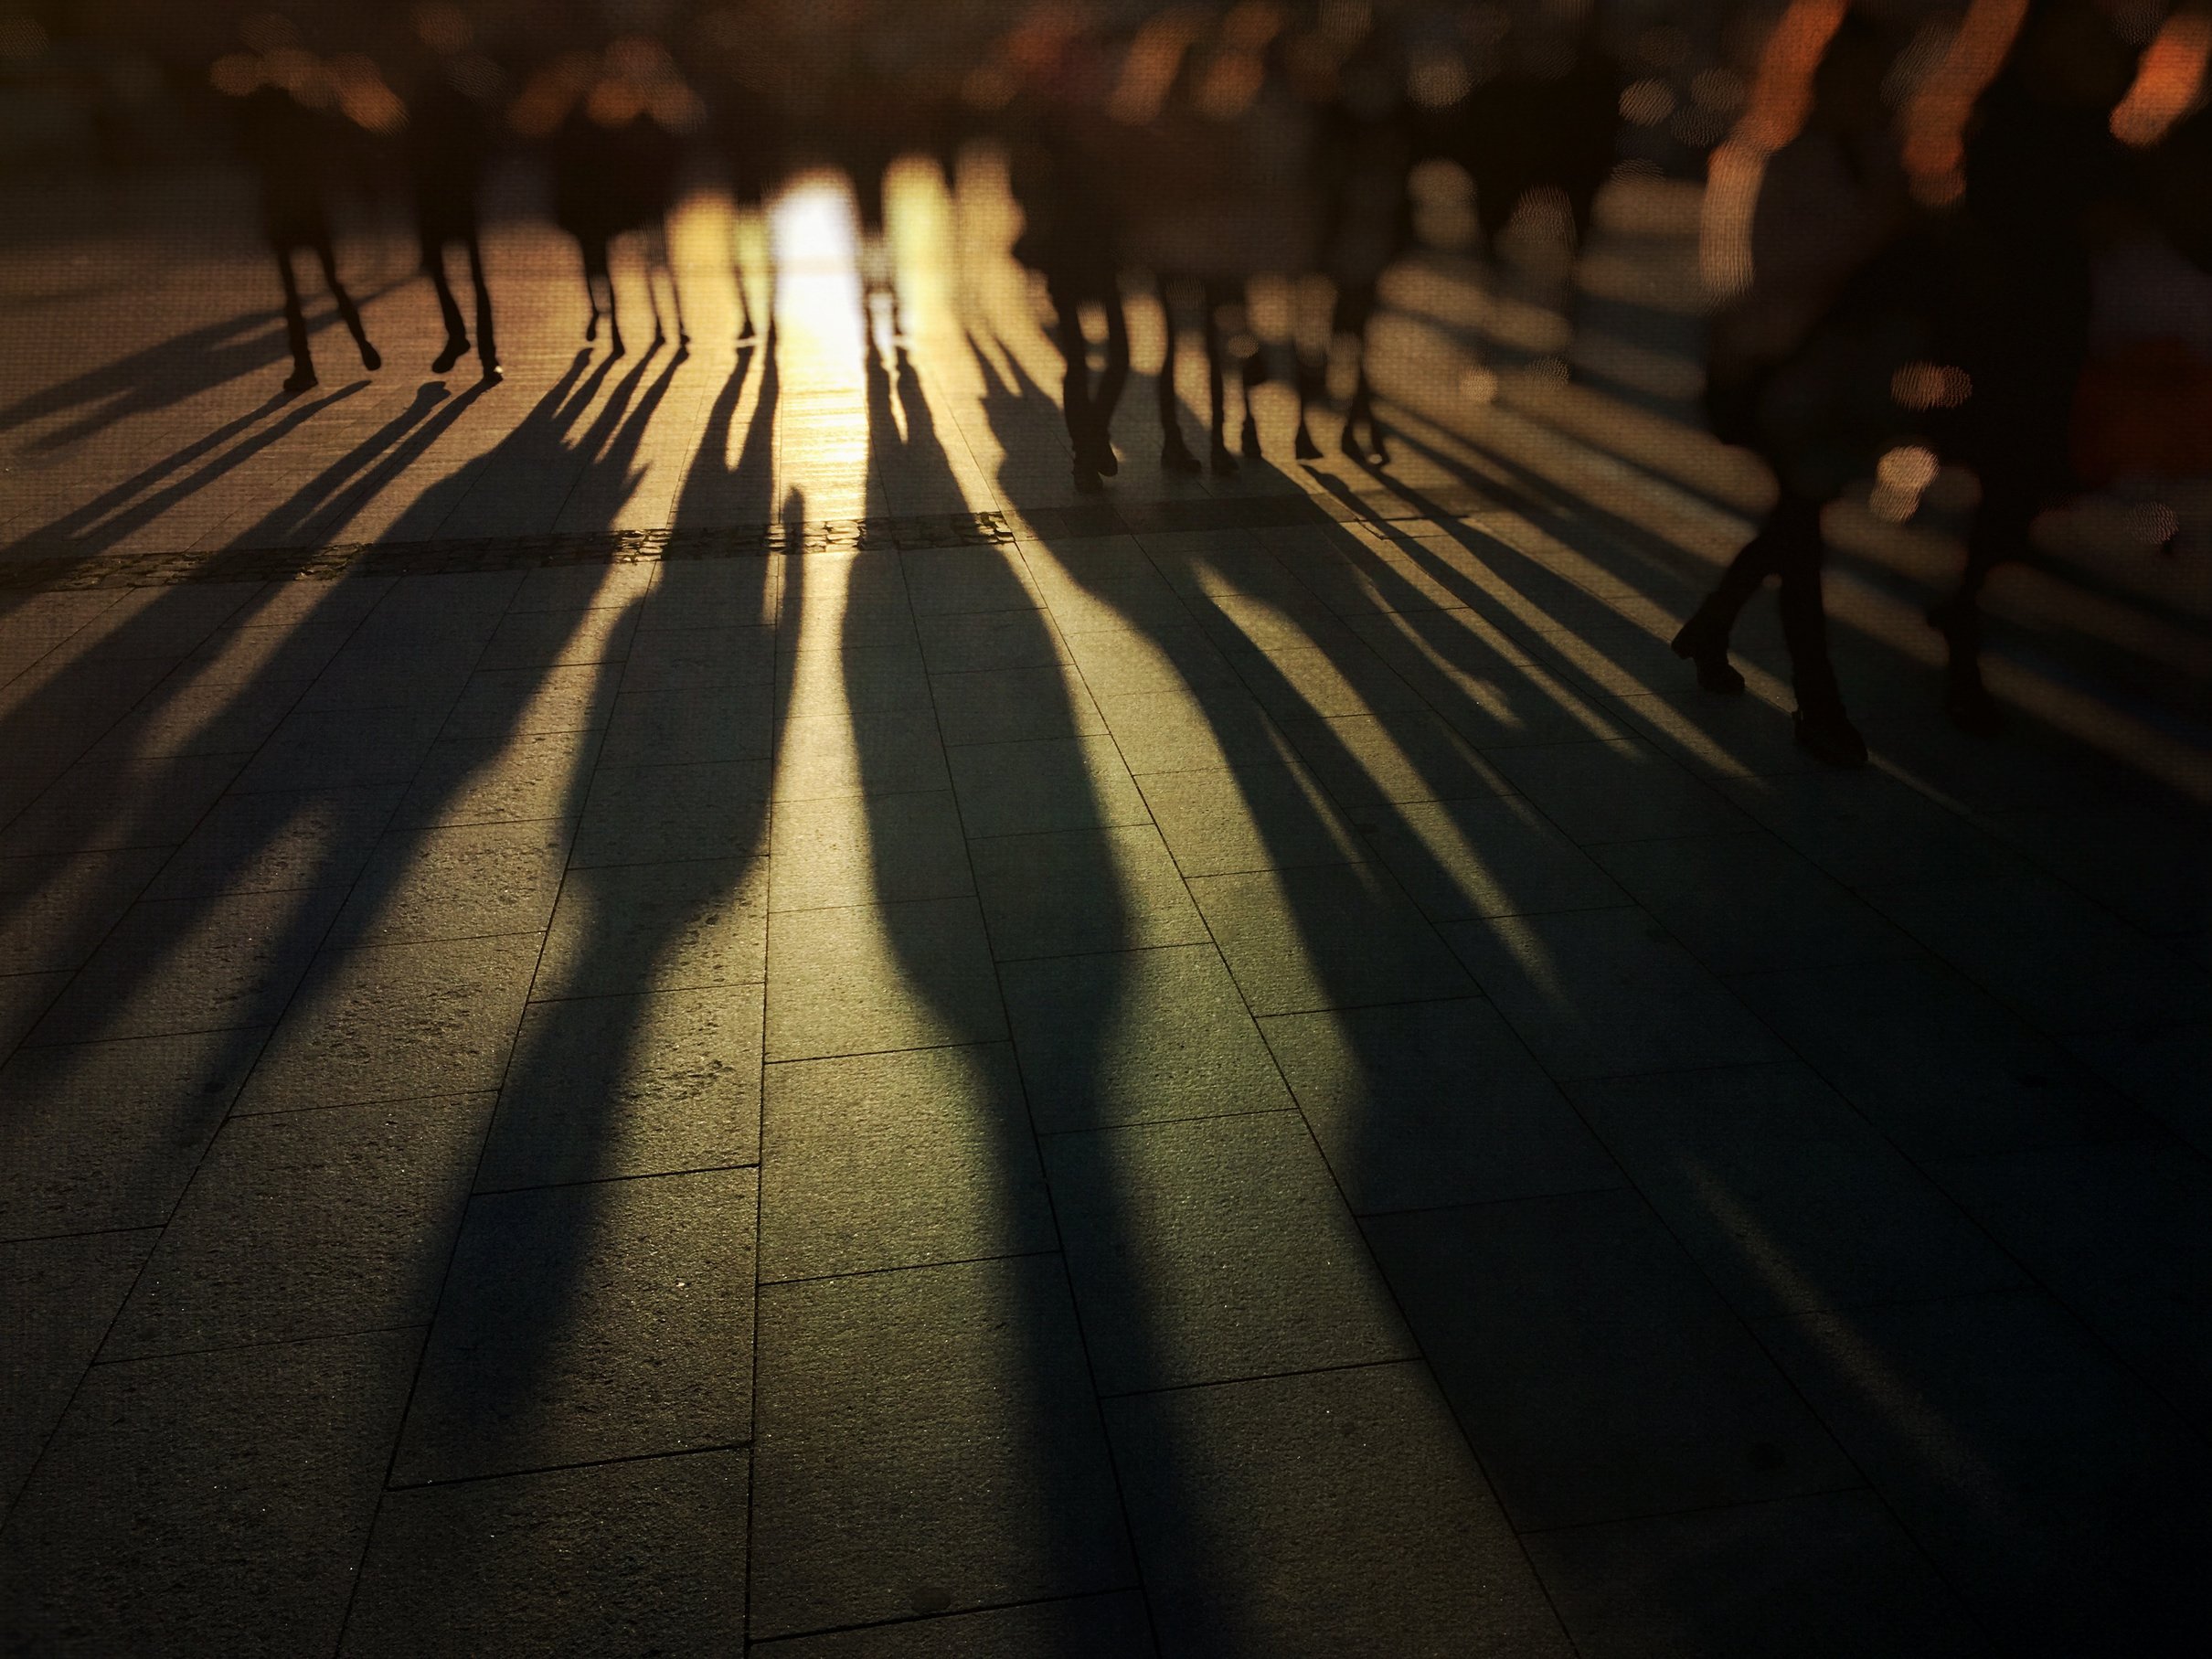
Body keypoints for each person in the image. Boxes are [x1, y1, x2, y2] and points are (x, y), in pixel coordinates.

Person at [1671, 7, 1910, 768]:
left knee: (1794, 521)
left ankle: (1712, 626)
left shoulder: (1883, 154)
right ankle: (1818, 701)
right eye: (1847, 72)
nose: (1863, 87)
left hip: (1850, 378)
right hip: (1777, 373)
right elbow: (1752, 277)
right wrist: (1861, 258)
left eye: (1874, 73)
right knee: (1801, 535)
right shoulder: (1770, 156)